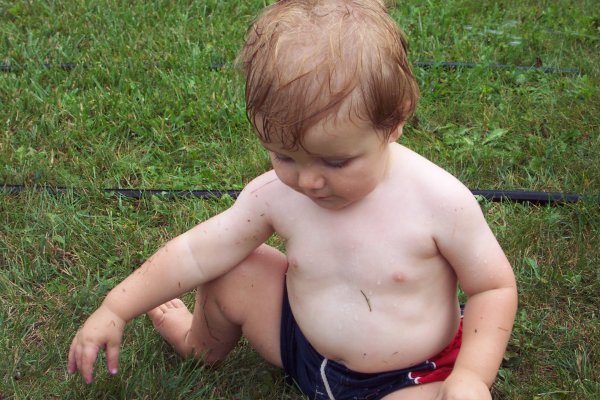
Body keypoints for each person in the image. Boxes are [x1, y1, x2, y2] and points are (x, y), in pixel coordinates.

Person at [67, 1, 518, 398]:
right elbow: (197, 252)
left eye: (336, 163)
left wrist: (473, 376)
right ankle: (193, 340)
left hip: (407, 376)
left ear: (394, 122)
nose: (308, 182)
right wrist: (116, 306)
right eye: (284, 156)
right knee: (234, 269)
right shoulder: (276, 194)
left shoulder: (439, 201)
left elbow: (493, 287)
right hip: (301, 346)